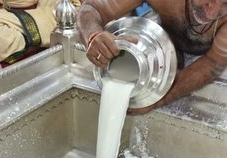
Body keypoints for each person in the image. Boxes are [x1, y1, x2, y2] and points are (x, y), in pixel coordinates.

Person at [77, 0, 227, 114]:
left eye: (225, 4)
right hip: (161, 41)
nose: (211, 13)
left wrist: (159, 99)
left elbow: (213, 63)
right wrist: (93, 36)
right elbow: (93, 8)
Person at [0, 0, 81, 65]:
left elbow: (73, 11)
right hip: (4, 13)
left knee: (70, 13)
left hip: (50, 6)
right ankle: (46, 35)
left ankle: (28, 40)